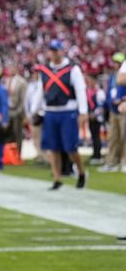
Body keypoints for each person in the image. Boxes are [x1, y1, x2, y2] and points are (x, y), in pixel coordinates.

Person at [36, 40, 88, 190]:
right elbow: (40, 92)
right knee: (53, 148)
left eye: (56, 50)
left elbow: (80, 90)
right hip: (50, 112)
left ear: (61, 51)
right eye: (51, 50)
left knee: (70, 147)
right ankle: (57, 178)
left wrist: (83, 111)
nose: (53, 53)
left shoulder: (72, 69)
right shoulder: (44, 70)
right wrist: (35, 110)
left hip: (68, 111)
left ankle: (81, 172)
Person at [100, 52, 126, 172]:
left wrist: (122, 99)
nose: (115, 64)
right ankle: (111, 162)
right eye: (114, 62)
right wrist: (110, 102)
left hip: (123, 110)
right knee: (112, 137)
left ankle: (124, 161)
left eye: (117, 62)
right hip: (113, 110)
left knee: (124, 137)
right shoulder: (112, 76)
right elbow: (109, 92)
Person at [5, 61, 27, 149]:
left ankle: (18, 152)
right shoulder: (7, 80)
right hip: (8, 109)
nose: (10, 70)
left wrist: (20, 111)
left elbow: (23, 99)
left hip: (17, 110)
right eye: (9, 68)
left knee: (17, 132)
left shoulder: (21, 82)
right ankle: (9, 153)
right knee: (8, 132)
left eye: (12, 68)